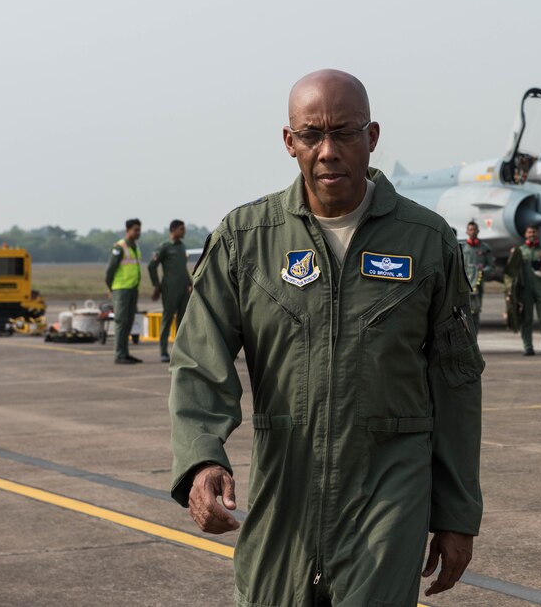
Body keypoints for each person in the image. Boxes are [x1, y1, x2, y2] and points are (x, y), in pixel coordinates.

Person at [168, 69, 484, 606]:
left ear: (373, 137)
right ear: (289, 142)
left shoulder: (428, 243)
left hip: (388, 494)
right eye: (312, 134)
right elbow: (200, 359)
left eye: (345, 132)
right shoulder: (246, 241)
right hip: (281, 496)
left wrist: (456, 514)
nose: (329, 150)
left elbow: (455, 384)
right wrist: (201, 459)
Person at [505, 225, 541, 356]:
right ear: (525, 234)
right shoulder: (520, 251)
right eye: (529, 232)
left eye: (534, 232)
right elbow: (510, 271)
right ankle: (528, 347)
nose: (531, 234)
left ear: (538, 233)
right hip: (525, 290)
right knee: (526, 319)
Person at [148, 219, 193, 363]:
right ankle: (163, 351)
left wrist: (190, 283)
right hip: (169, 289)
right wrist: (156, 285)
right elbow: (151, 266)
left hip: (183, 289)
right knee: (167, 319)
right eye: (181, 229)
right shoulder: (165, 247)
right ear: (173, 230)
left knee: (182, 321)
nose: (183, 231)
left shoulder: (182, 247)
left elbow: (182, 268)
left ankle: (180, 351)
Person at [105, 218, 142, 364]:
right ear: (127, 230)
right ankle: (119, 354)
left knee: (129, 321)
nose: (138, 233)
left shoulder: (135, 247)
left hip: (133, 288)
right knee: (121, 321)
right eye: (135, 230)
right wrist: (111, 288)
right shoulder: (119, 247)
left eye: (139, 230)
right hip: (121, 289)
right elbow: (110, 271)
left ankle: (125, 353)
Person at [460, 220, 496, 333]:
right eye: (470, 229)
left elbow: (491, 266)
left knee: (475, 312)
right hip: (464, 285)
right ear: (466, 231)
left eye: (474, 229)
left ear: (478, 231)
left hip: (478, 285)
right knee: (463, 311)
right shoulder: (462, 247)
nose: (472, 231)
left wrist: (482, 272)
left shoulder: (484, 248)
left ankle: (474, 338)